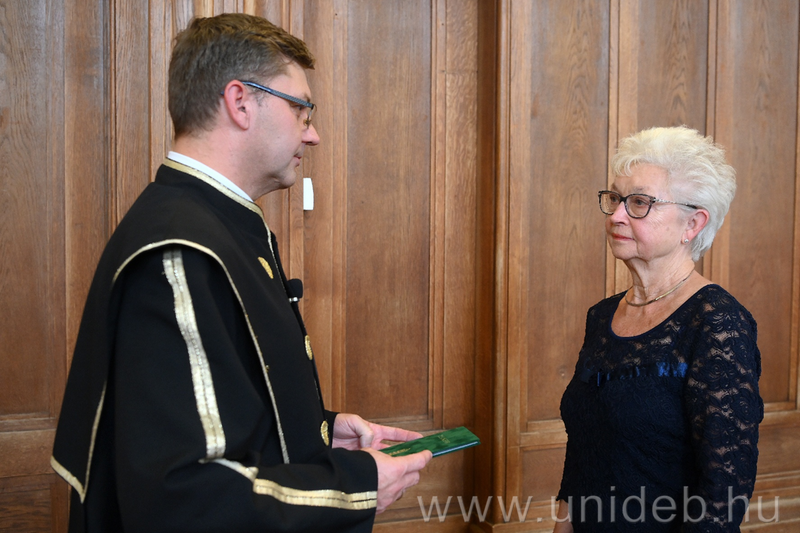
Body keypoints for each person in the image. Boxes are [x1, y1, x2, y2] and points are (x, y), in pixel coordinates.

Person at [51, 13, 431, 532]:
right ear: (240, 102)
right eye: (301, 109)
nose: (314, 134)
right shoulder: (179, 253)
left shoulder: (213, 225)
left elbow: (224, 406)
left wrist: (317, 432)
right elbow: (185, 495)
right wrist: (354, 484)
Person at [553, 126, 763, 532]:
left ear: (693, 224)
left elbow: (723, 498)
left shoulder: (717, 322)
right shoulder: (601, 316)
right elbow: (581, 458)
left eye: (639, 203)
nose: (616, 215)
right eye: (615, 199)